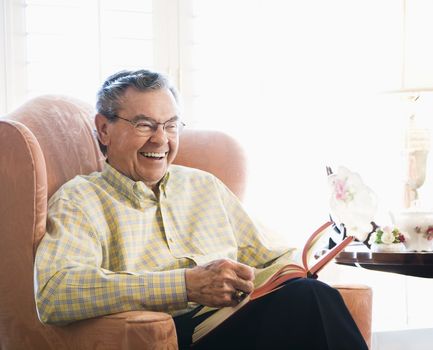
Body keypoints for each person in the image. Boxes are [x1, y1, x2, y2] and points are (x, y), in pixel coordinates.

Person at [34, 69, 368, 349]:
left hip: (238, 319)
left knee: (310, 293)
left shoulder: (202, 186)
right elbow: (55, 292)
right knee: (309, 302)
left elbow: (270, 255)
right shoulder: (80, 200)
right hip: (178, 336)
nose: (160, 140)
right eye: (144, 125)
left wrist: (294, 269)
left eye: (169, 125)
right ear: (104, 129)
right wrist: (184, 285)